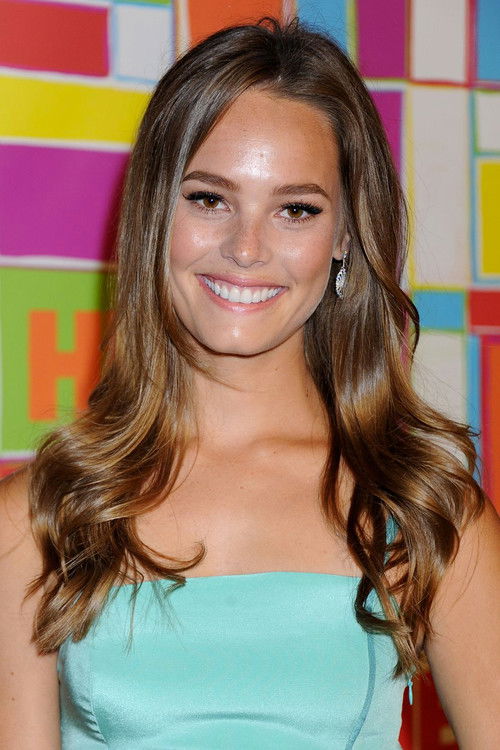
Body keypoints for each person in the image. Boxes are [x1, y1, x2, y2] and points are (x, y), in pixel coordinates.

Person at [1, 17, 499, 749]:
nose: (245, 248)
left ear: (344, 239)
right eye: (209, 198)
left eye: (296, 210)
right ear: (155, 214)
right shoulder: (40, 519)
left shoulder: (420, 509)